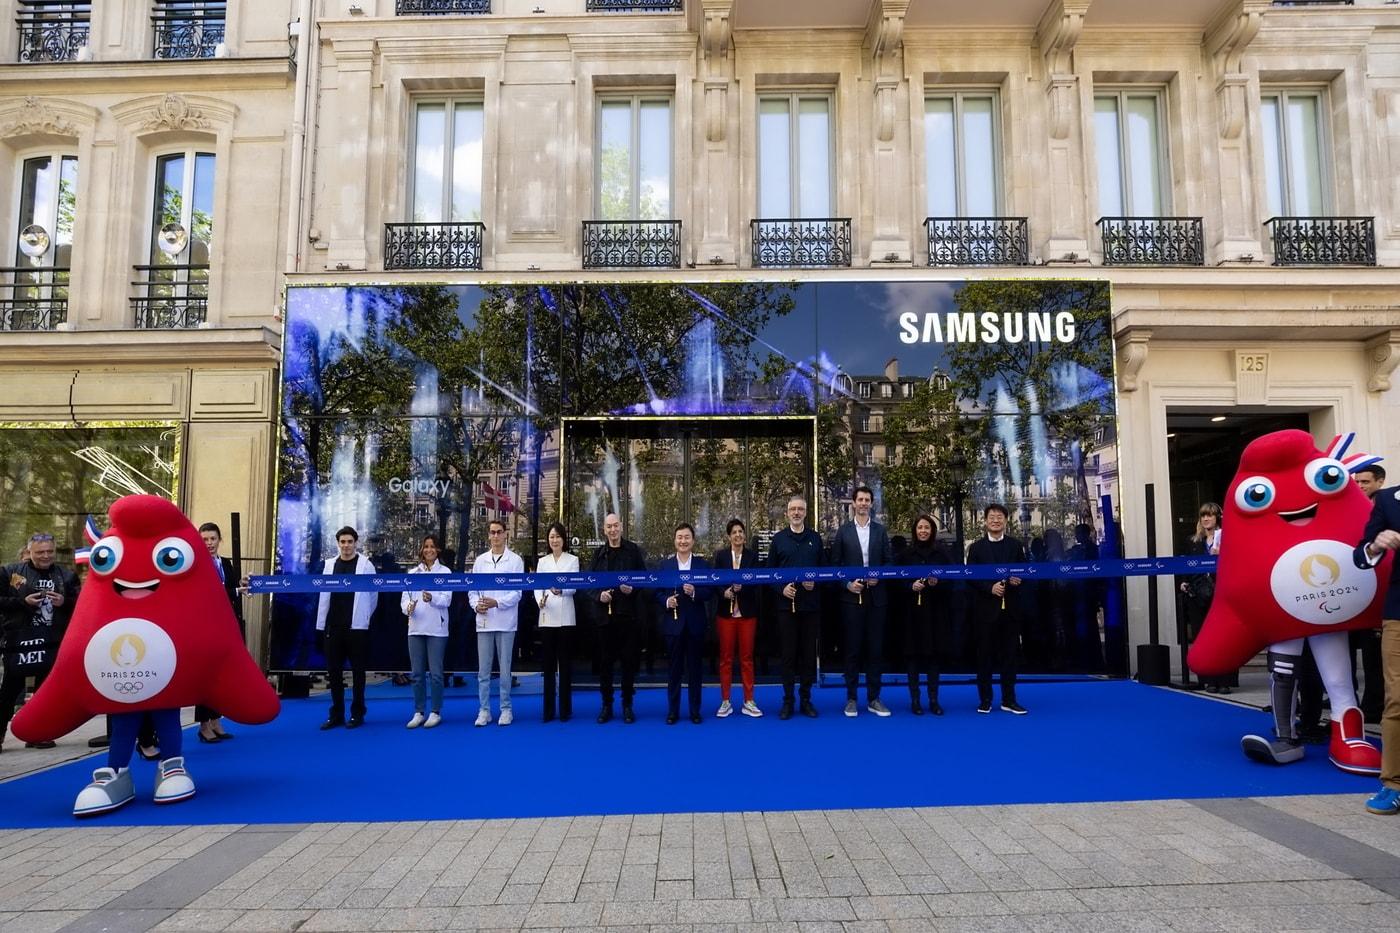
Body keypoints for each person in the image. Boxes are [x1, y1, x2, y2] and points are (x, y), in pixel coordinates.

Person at [0, 532, 79, 750]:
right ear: (29, 552)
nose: (46, 556)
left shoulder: (66, 576)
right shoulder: (10, 572)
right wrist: (22, 602)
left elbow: (82, 605)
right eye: (40, 552)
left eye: (49, 551)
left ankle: (39, 734)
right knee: (9, 691)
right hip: (19, 641)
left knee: (45, 693)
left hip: (52, 642)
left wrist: (64, 601)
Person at [1354, 481, 1400, 814]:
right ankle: (1393, 783)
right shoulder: (1388, 499)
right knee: (1397, 698)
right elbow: (1361, 555)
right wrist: (1375, 545)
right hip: (1399, 613)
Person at [830, 486, 892, 717]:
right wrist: (847, 584)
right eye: (860, 500)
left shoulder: (880, 531)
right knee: (852, 650)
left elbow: (889, 562)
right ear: (854, 503)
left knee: (875, 651)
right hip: (851, 598)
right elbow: (835, 565)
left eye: (867, 500)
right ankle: (851, 699)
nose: (864, 503)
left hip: (876, 599)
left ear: (871, 504)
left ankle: (874, 699)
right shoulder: (843, 531)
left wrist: (879, 576)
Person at [966, 504, 1028, 714]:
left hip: (1010, 610)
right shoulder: (976, 548)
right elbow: (971, 577)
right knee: (984, 657)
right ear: (985, 521)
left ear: (1006, 521)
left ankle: (1009, 700)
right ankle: (985, 700)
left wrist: (1019, 579)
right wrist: (989, 588)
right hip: (985, 611)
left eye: (999, 517)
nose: (995, 520)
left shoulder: (1015, 546)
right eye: (991, 517)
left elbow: (1025, 571)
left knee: (1009, 657)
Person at [314, 526, 375, 730]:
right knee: (334, 673)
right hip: (333, 627)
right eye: (343, 542)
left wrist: (363, 617)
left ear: (355, 543)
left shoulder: (366, 565)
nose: (346, 545)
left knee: (358, 673)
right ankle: (337, 714)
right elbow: (323, 596)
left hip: (357, 629)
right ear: (338, 543)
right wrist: (322, 624)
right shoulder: (329, 565)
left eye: (350, 542)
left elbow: (373, 596)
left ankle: (357, 713)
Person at [768, 495, 822, 720]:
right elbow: (770, 574)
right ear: (787, 513)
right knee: (788, 656)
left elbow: (825, 570)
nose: (797, 513)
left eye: (800, 509)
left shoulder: (815, 538)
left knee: (808, 656)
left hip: (810, 607)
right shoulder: (778, 539)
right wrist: (781, 589)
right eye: (793, 509)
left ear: (806, 513)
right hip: (786, 607)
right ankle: (788, 701)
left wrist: (815, 581)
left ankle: (806, 700)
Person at [589, 513, 647, 724]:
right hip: (604, 619)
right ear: (604, 530)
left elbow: (644, 579)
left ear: (621, 527)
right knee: (605, 665)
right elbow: (589, 583)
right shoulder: (599, 554)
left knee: (628, 664)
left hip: (627, 617)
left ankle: (627, 705)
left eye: (615, 526)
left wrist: (633, 589)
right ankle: (607, 705)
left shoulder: (633, 551)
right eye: (609, 527)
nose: (613, 530)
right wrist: (599, 595)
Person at [468, 520, 524, 727]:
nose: (496, 536)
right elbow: (472, 591)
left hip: (506, 623)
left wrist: (497, 603)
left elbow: (517, 592)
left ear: (505, 534)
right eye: (492, 532)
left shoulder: (515, 560)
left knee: (505, 671)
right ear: (488, 535)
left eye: (499, 532)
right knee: (483, 672)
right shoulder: (479, 561)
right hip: (484, 622)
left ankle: (506, 709)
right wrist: (476, 606)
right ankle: (484, 710)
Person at [657, 523, 712, 725]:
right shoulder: (665, 566)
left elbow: (710, 591)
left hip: (695, 625)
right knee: (674, 671)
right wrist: (666, 601)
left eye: (687, 537)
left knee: (695, 670)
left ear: (693, 541)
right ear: (675, 540)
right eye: (680, 537)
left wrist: (695, 592)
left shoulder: (702, 565)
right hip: (673, 625)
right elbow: (656, 592)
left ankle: (695, 711)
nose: (683, 541)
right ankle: (673, 711)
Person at [194, 522, 244, 743]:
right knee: (205, 677)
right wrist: (235, 591)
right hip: (204, 626)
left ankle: (216, 720)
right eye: (204, 539)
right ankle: (203, 725)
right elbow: (208, 593)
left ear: (219, 540)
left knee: (221, 676)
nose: (209, 543)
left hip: (225, 625)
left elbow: (231, 588)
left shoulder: (225, 563)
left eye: (212, 539)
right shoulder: (195, 565)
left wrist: (242, 585)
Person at [900, 514, 950, 716]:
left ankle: (934, 700)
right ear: (915, 530)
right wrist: (909, 585)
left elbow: (953, 579)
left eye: (927, 528)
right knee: (912, 657)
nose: (923, 531)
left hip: (935, 612)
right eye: (920, 527)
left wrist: (939, 582)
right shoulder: (905, 555)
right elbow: (895, 581)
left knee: (933, 658)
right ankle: (915, 700)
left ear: (932, 531)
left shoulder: (942, 553)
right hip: (912, 613)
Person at [1179, 503, 1230, 695]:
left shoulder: (1228, 538)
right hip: (1198, 595)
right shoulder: (1193, 541)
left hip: (1221, 594)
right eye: (1203, 516)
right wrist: (1183, 582)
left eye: (1210, 515)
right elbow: (1185, 564)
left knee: (1221, 638)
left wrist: (1222, 554)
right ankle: (1208, 679)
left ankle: (1223, 680)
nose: (1206, 519)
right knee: (1202, 637)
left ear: (1218, 517)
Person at [713, 518, 761, 718]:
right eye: (734, 532)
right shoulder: (721, 556)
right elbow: (715, 580)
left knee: (747, 658)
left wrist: (744, 587)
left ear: (744, 535)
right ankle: (725, 701)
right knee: (726, 658)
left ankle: (749, 700)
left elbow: (757, 582)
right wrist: (723, 592)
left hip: (747, 614)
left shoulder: (752, 556)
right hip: (726, 615)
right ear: (729, 536)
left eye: (741, 531)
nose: (738, 535)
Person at [401, 535, 450, 729]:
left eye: (432, 546)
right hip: (415, 628)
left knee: (436, 674)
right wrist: (408, 608)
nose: (429, 550)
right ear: (422, 549)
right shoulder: (412, 573)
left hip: (437, 629)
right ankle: (419, 711)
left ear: (438, 550)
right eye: (426, 546)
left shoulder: (445, 572)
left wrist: (432, 599)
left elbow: (447, 600)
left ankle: (435, 711)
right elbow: (404, 600)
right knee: (417, 674)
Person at [535, 522, 579, 723]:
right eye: (551, 537)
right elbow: (537, 586)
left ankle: (565, 709)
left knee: (565, 665)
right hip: (547, 616)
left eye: (558, 536)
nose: (555, 540)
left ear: (563, 539)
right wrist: (540, 600)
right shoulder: (542, 562)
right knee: (548, 667)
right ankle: (548, 710)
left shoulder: (572, 560)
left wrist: (562, 590)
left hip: (566, 618)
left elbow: (574, 586)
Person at [1353, 464, 1386, 723]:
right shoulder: (1352, 508)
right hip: (1360, 590)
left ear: (1380, 481)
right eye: (1357, 482)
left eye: (1365, 482)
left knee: (1378, 657)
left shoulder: (1388, 506)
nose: (1360, 486)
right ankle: (1367, 704)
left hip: (1385, 591)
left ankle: (1375, 707)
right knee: (1367, 654)